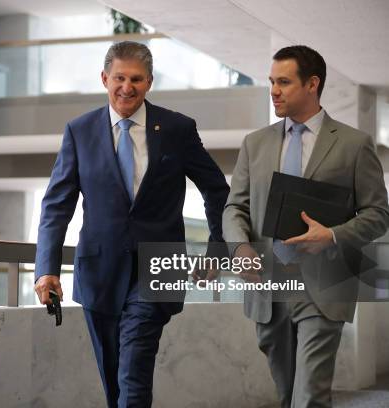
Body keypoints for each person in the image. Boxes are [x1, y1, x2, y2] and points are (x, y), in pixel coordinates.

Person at [34, 41, 229, 407]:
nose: (128, 87)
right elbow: (56, 206)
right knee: (114, 380)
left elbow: (218, 191)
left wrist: (217, 249)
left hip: (158, 267)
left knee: (133, 374)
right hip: (99, 272)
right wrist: (46, 270)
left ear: (150, 82)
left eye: (136, 79)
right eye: (120, 77)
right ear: (105, 78)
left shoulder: (177, 129)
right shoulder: (80, 131)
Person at [223, 45, 389, 407]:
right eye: (271, 82)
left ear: (312, 84)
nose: (274, 90)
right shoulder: (256, 143)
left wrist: (331, 235)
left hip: (324, 286)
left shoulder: (353, 145)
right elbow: (235, 206)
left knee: (309, 397)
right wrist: (241, 247)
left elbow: (378, 214)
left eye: (283, 82)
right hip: (268, 285)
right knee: (288, 397)